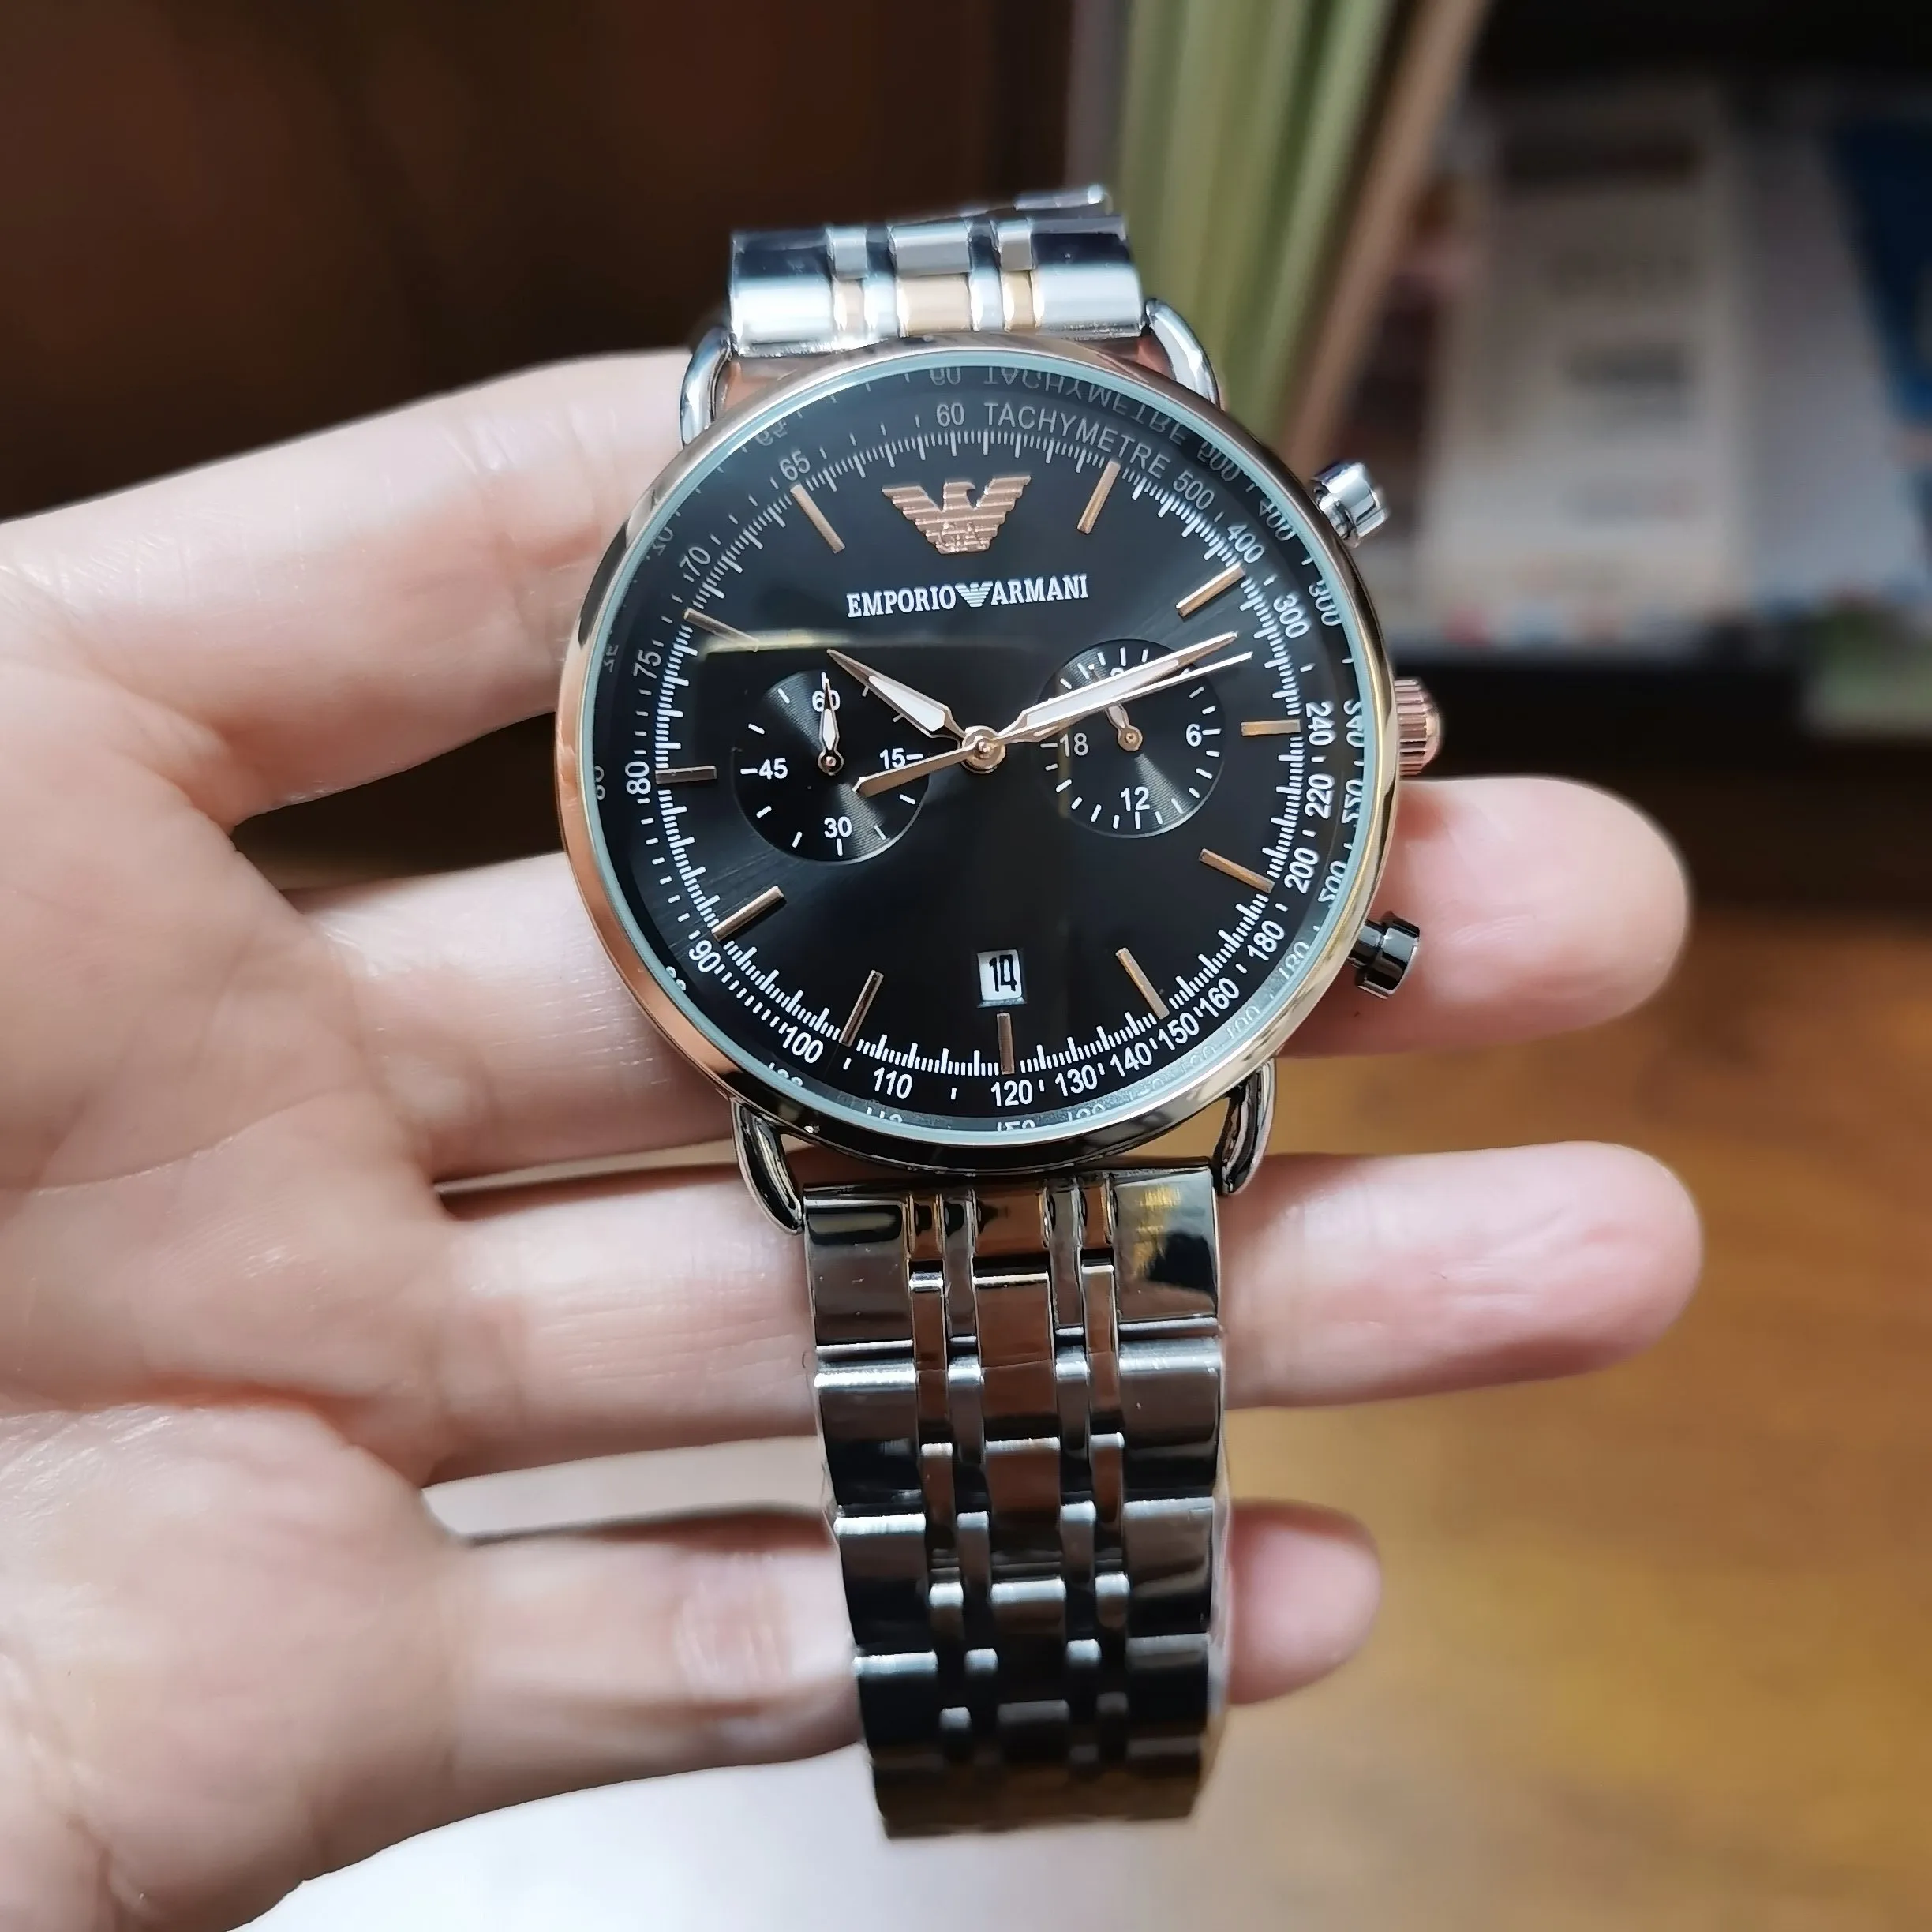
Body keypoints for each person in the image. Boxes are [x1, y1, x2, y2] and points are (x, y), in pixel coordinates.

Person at [0, 354, 1700, 1930]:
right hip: (868, 1092)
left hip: (1104, 1062)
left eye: (1004, 735)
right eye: (957, 746)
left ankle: (1067, 1739)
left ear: (1387, 736)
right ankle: (1049, 1742)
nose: (984, 748)